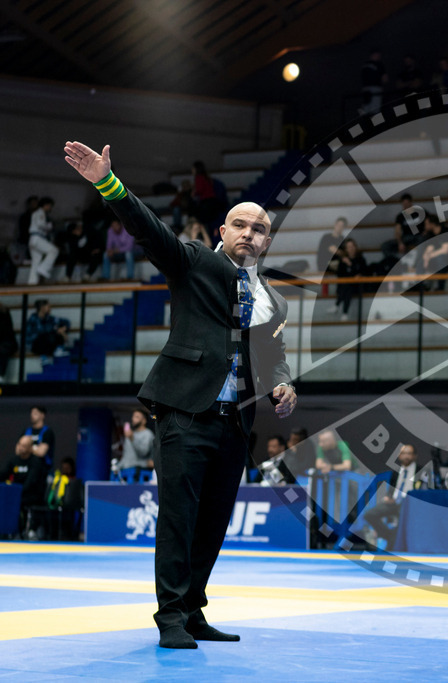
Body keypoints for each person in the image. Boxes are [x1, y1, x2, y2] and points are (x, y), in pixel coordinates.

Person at [64, 140, 296, 650]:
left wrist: (284, 382)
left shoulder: (274, 301)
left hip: (235, 424)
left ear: (267, 243)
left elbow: (273, 355)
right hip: (185, 413)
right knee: (178, 517)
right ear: (223, 232)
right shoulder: (193, 263)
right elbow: (148, 228)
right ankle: (169, 615)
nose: (250, 234)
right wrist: (109, 183)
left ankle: (193, 611)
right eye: (241, 225)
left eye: (259, 230)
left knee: (213, 522)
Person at [362, 443, 429, 549]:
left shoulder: (420, 471)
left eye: (409, 453)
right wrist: (388, 497)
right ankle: (387, 535)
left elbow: (424, 491)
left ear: (414, 456)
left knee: (401, 518)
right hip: (393, 502)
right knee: (369, 514)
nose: (406, 456)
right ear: (399, 456)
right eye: (403, 453)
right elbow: (393, 488)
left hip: (409, 504)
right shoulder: (396, 471)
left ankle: (392, 542)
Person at [0, 435, 49, 535]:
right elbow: (2, 475)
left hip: (32, 495)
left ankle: (21, 530)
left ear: (31, 448)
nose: (21, 448)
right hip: (17, 493)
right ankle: (2, 530)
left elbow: (30, 483)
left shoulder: (36, 462)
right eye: (20, 445)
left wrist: (16, 492)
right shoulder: (14, 461)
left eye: (24, 446)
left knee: (15, 501)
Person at [418, 215, 448, 289]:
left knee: (441, 258)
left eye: (427, 224)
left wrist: (429, 257)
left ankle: (440, 287)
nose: (425, 226)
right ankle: (420, 286)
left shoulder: (446, 231)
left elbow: (445, 250)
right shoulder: (431, 234)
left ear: (432, 224)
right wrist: (425, 258)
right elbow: (429, 249)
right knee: (422, 260)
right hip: (443, 259)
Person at [44, 457, 84, 540]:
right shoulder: (57, 480)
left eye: (68, 468)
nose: (66, 470)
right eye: (64, 468)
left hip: (70, 508)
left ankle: (70, 535)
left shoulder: (75, 482)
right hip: (55, 507)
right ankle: (52, 535)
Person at [27, 196, 59, 284]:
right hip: (37, 238)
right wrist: (48, 226)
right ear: (46, 205)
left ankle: (32, 282)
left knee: (36, 261)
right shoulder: (40, 212)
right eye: (50, 206)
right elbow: (40, 224)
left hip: (33, 239)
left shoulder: (37, 212)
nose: (50, 208)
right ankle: (43, 269)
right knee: (54, 250)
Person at [335, 238, 367, 320]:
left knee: (348, 286)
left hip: (358, 286)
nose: (351, 248)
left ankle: (337, 305)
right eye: (349, 247)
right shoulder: (343, 261)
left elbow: (364, 272)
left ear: (355, 247)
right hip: (345, 286)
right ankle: (344, 313)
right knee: (348, 287)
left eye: (352, 246)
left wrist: (350, 264)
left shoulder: (361, 259)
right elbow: (340, 275)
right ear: (346, 249)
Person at [118, 409, 155, 480]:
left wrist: (132, 439)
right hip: (124, 470)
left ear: (144, 421)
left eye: (137, 417)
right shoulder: (130, 434)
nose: (133, 419)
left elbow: (143, 452)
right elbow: (126, 456)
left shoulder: (147, 434)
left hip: (138, 472)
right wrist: (118, 466)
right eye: (133, 417)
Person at [360, 49, 387, 115]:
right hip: (375, 89)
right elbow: (385, 78)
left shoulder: (365, 64)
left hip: (366, 89)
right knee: (375, 110)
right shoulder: (379, 64)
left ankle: (367, 123)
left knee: (366, 109)